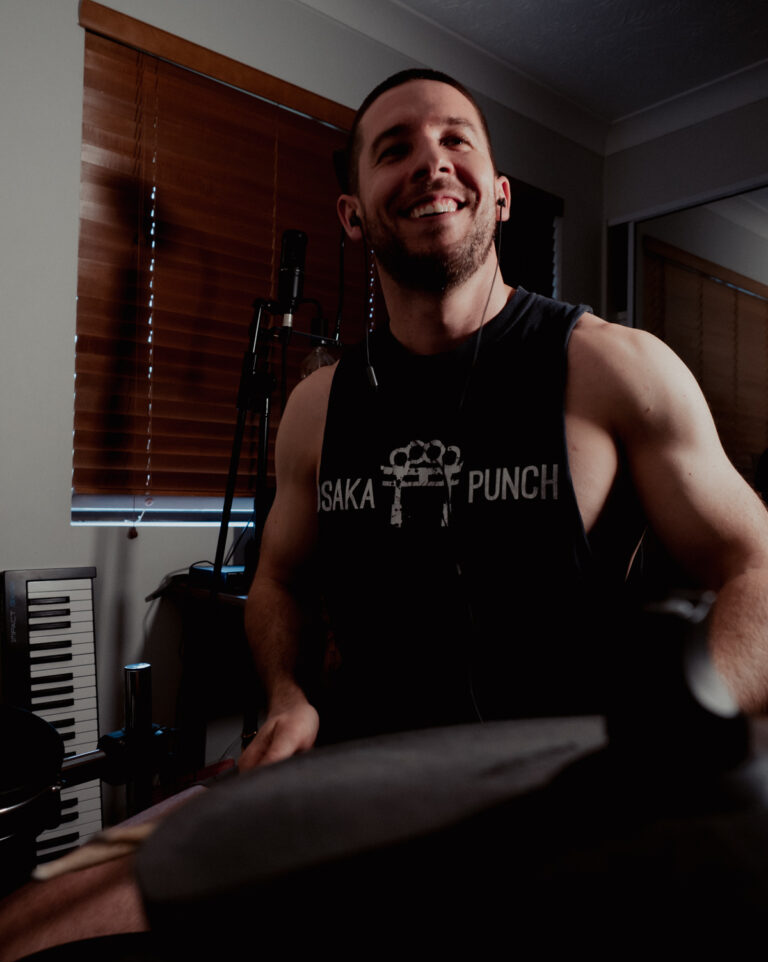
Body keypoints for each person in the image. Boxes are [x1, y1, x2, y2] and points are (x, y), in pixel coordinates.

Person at [245, 68, 768, 769]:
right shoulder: (317, 407)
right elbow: (279, 580)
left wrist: (690, 711)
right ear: (351, 214)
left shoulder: (617, 370)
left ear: (500, 196)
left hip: (574, 804)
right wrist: (286, 693)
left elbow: (758, 567)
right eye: (394, 149)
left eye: (455, 140)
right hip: (366, 792)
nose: (432, 163)